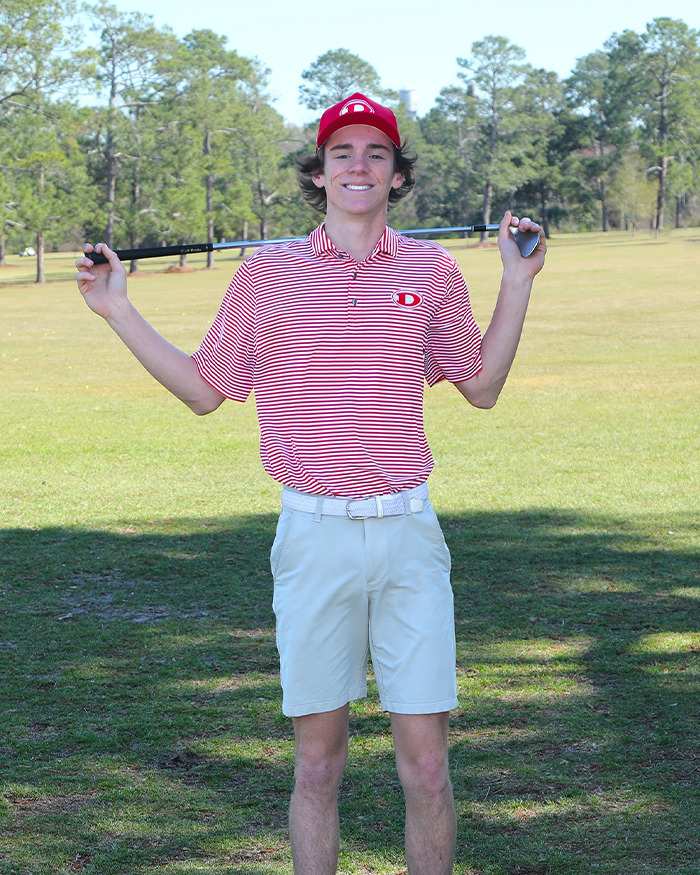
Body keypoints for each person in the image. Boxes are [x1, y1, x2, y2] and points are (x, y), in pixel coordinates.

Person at [76, 92, 546, 875]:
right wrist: (117, 310)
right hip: (312, 534)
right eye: (341, 154)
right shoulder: (267, 278)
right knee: (318, 766)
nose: (358, 167)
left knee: (428, 766)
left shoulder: (431, 271)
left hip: (408, 536)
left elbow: (484, 383)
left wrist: (518, 281)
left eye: (375, 154)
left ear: (397, 176)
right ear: (319, 174)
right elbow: (202, 389)